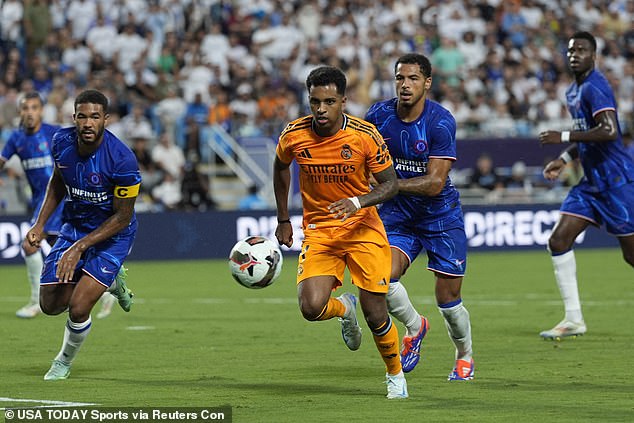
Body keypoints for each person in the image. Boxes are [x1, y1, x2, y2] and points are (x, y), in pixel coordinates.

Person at [273, 66, 407, 399]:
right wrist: (283, 218)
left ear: (343, 101)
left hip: (363, 228)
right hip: (320, 230)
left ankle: (395, 375)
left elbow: (391, 185)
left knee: (376, 312)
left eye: (329, 101)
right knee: (311, 308)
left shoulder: (364, 135)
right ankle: (344, 310)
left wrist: (358, 201)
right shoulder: (294, 134)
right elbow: (279, 167)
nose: (320, 109)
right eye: (315, 101)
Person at [365, 53, 474, 381]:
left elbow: (434, 183)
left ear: (427, 82)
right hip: (398, 213)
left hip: (439, 215)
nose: (405, 85)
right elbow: (364, 159)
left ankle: (464, 353)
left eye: (413, 78)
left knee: (449, 300)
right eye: (400, 78)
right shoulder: (378, 115)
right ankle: (415, 326)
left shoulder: (440, 122)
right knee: (380, 278)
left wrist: (387, 185)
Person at [25, 89, 141, 380]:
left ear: (106, 120)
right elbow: (57, 183)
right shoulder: (60, 142)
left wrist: (79, 249)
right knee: (50, 305)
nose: (88, 123)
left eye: (95, 117)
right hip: (74, 227)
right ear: (74, 117)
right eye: (82, 116)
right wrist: (40, 224)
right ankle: (109, 281)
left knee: (78, 308)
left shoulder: (123, 160)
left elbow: (123, 216)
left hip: (112, 236)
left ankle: (63, 361)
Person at [538, 31, 634, 340]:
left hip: (617, 182)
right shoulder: (572, 92)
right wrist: (565, 157)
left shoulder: (597, 86)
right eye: (570, 50)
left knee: (632, 256)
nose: (574, 54)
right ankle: (574, 319)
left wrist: (563, 137)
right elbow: (588, 133)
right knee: (558, 240)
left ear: (594, 56)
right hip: (591, 183)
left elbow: (608, 130)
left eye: (581, 50)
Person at [0, 92, 62, 318]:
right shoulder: (16, 138)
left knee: (29, 245)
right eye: (25, 108)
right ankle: (109, 284)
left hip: (60, 198)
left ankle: (37, 302)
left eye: (34, 107)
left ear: (41, 111)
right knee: (67, 248)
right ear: (20, 112)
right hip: (41, 201)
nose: (29, 112)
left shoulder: (54, 132)